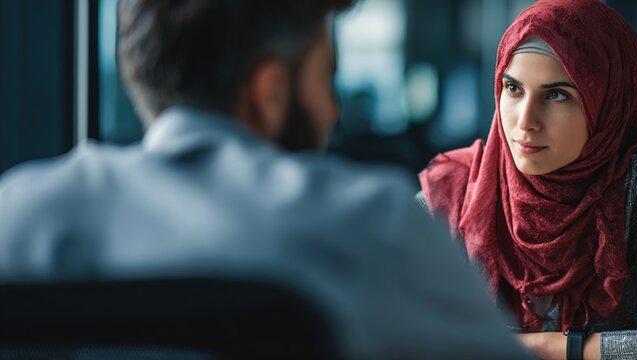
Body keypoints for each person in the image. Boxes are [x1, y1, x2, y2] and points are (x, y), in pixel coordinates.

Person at [0, 1, 530, 359]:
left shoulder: (16, 214)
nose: (331, 113)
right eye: (326, 78)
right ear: (270, 91)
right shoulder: (374, 227)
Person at [418, 0, 637, 359]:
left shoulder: (634, 175)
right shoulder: (453, 188)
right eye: (513, 89)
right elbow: (385, 328)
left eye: (556, 95)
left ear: (604, 105)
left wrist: (546, 348)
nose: (525, 121)